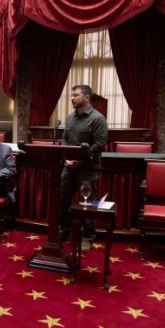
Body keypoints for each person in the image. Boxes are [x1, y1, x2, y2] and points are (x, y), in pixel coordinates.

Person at [58, 85, 108, 250]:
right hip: (69, 167)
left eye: (75, 95)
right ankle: (63, 231)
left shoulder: (98, 118)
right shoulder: (70, 117)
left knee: (88, 203)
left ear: (87, 97)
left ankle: (87, 237)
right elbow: (64, 140)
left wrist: (80, 160)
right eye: (72, 95)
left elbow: (99, 144)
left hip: (87, 168)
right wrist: (66, 158)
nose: (72, 98)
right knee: (64, 200)